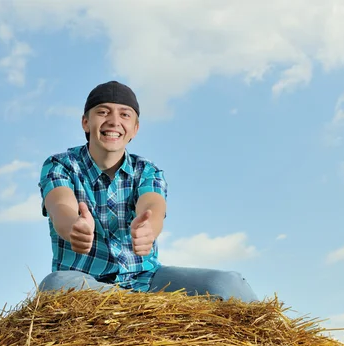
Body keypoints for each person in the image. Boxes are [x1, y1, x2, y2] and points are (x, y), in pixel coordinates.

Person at [37, 81, 258, 302]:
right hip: (86, 282)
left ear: (135, 128)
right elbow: (60, 205)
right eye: (103, 112)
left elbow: (153, 204)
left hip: (148, 279)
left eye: (125, 115)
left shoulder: (146, 170)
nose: (114, 121)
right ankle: (144, 308)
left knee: (228, 284)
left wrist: (148, 229)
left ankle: (135, 305)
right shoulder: (61, 165)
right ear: (85, 122)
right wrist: (73, 226)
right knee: (55, 285)